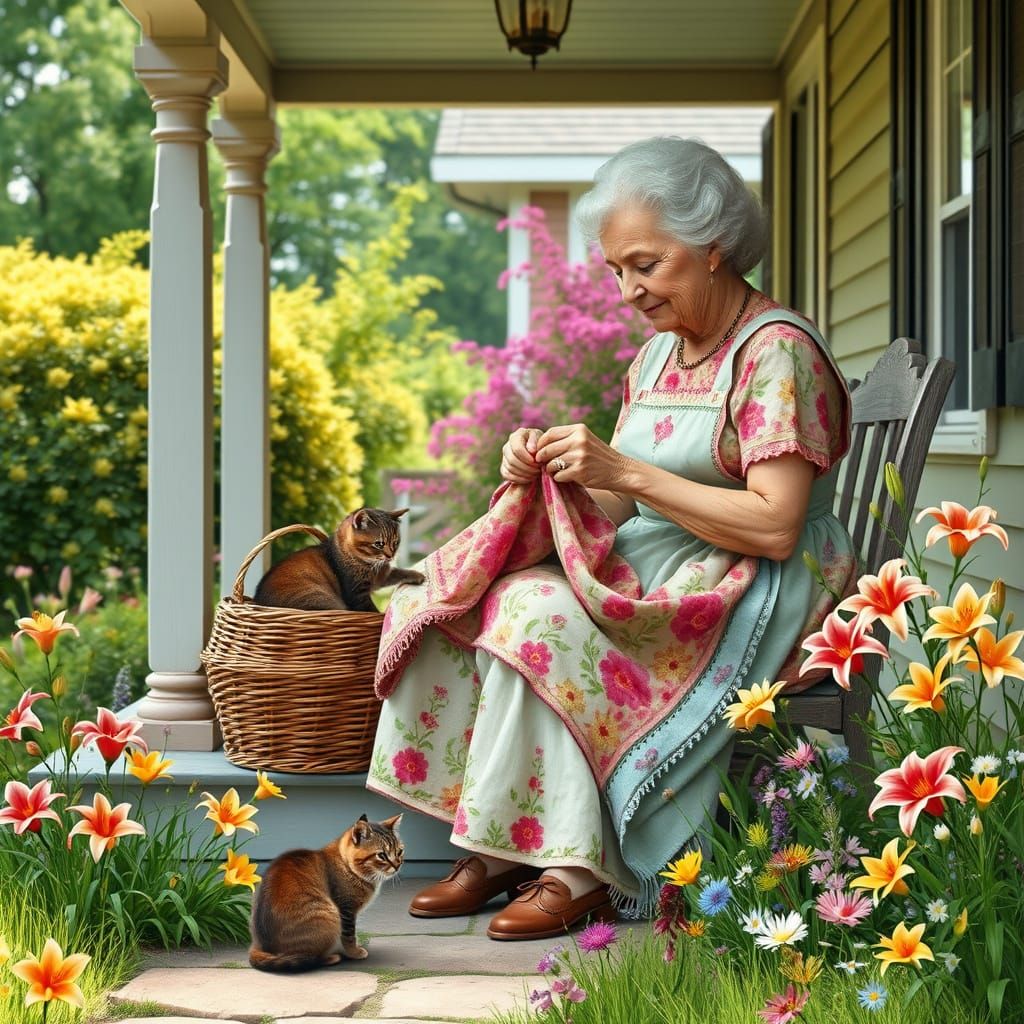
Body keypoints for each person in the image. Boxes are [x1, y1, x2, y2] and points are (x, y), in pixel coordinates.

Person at [366, 136, 858, 941]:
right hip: (671, 555)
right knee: (507, 593)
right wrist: (550, 471)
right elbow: (616, 498)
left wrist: (624, 473)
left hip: (755, 578)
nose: (630, 290)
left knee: (541, 614)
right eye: (617, 271)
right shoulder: (662, 351)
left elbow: (773, 524)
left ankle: (578, 868)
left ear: (715, 249)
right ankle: (507, 843)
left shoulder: (777, 354)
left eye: (647, 265)